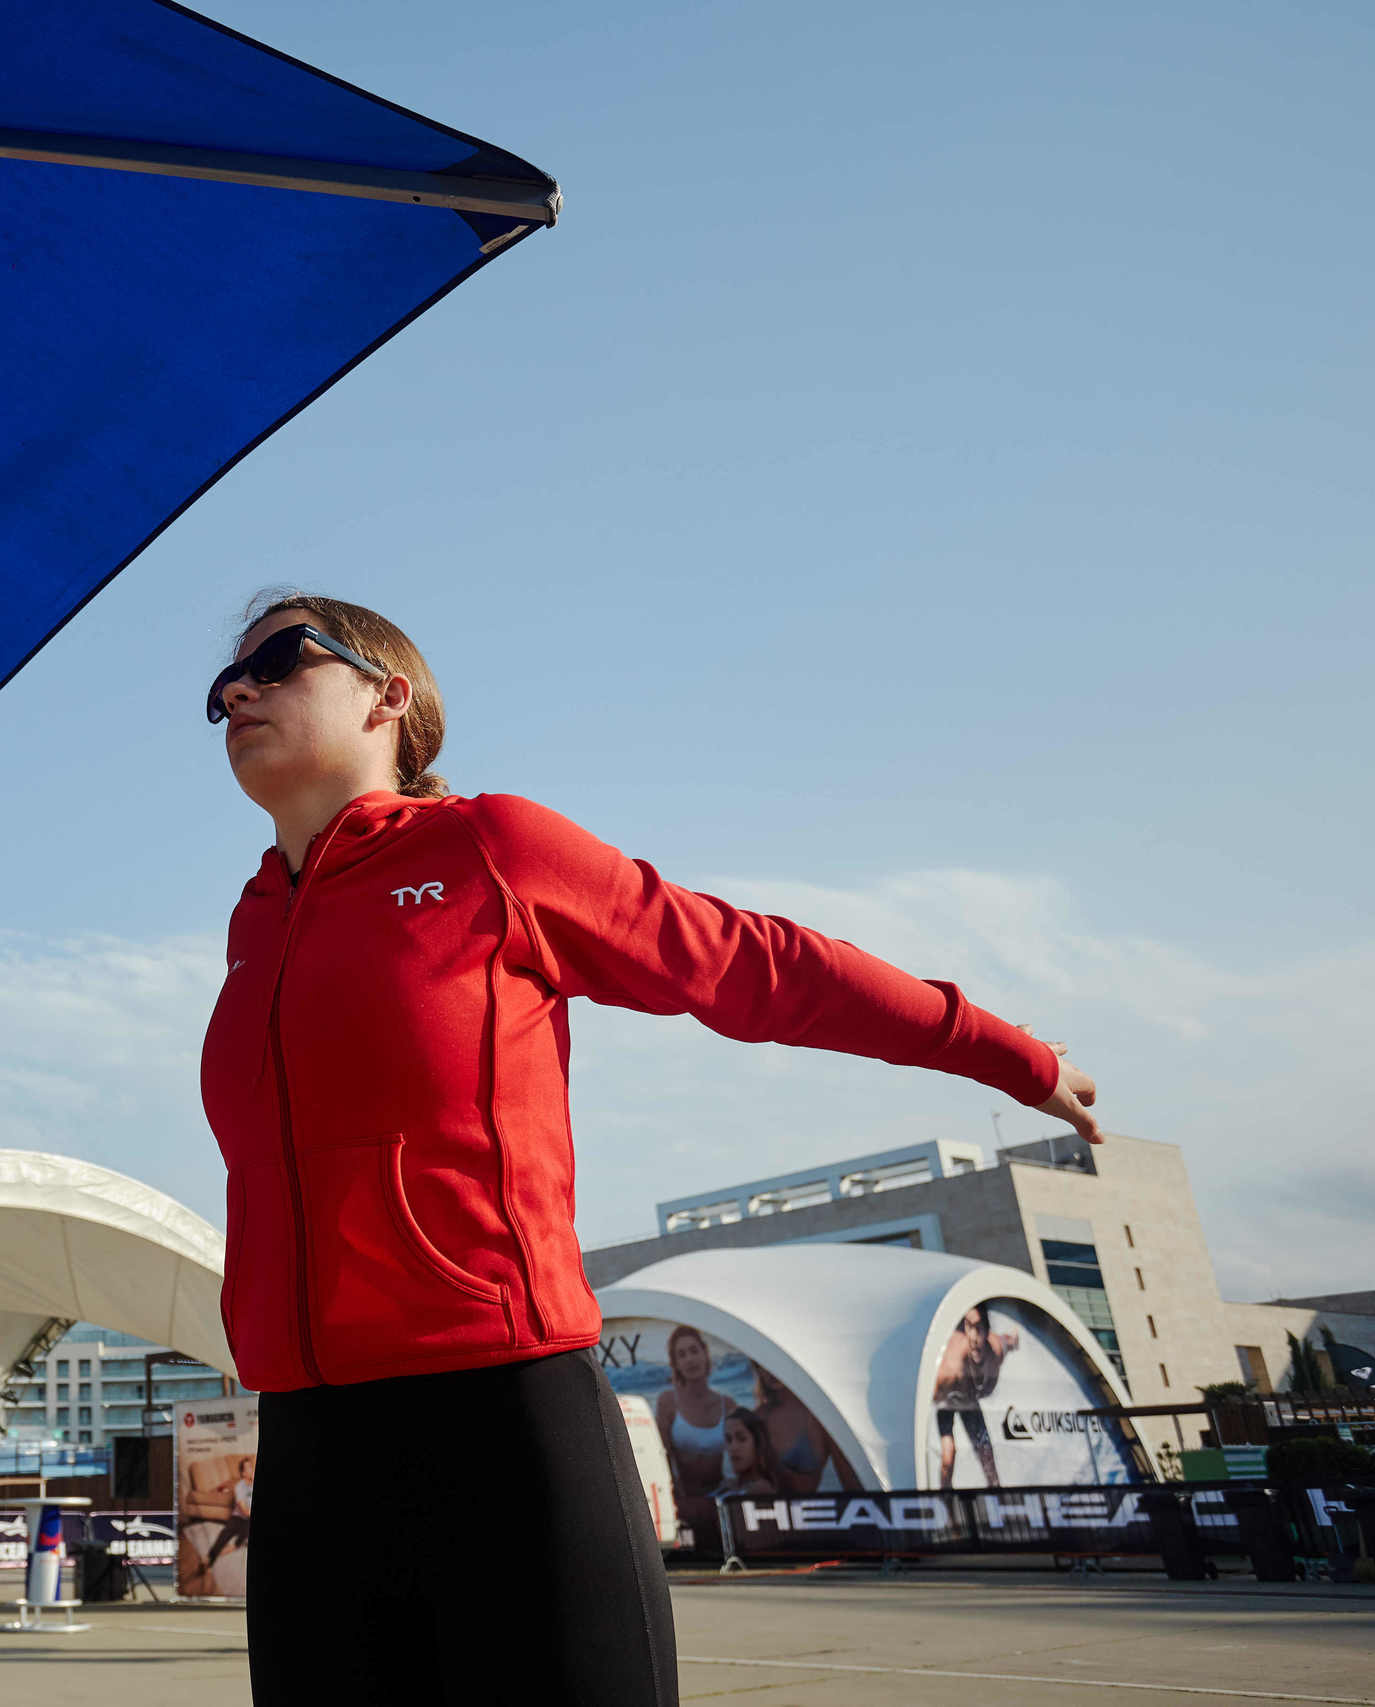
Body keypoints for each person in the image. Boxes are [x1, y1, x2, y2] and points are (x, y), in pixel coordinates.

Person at [198, 591, 1105, 1704]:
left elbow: (757, 965)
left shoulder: (490, 850)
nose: (237, 691)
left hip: (500, 1418)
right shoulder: (254, 924)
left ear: (390, 695)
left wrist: (1001, 1051)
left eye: (279, 661)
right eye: (221, 686)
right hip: (311, 1449)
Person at [652, 1324, 733, 1533]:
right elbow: (662, 1456)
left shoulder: (728, 1404)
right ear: (676, 1364)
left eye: (694, 1351)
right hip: (683, 1501)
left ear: (705, 1354)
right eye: (682, 1354)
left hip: (721, 1498)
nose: (690, 1359)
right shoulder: (668, 1401)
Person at [934, 1306, 1021, 1487]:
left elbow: (1009, 1341)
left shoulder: (994, 1350)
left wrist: (1013, 1338)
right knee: (948, 1455)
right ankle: (944, 1506)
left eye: (978, 1328)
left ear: (986, 1331)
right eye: (968, 1327)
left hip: (969, 1400)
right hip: (946, 1399)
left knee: (987, 1456)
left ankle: (999, 1503)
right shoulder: (953, 1365)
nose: (973, 1337)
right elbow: (931, 1392)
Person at [754, 1365, 863, 1497]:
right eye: (762, 1365)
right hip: (764, 1513)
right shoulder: (757, 1419)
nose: (770, 1371)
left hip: (806, 1513)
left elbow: (853, 1487)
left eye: (773, 1362)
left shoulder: (822, 1419)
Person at [711, 1408, 779, 1501]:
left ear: (758, 1443)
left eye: (742, 1438)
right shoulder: (729, 1484)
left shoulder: (760, 1489)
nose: (733, 1447)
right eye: (728, 1439)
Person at [203, 1454, 254, 1567]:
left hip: (248, 1520)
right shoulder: (239, 1487)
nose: (252, 1469)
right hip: (238, 1518)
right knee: (224, 1535)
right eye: (249, 1467)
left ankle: (234, 1546)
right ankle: (209, 1559)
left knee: (242, 1536)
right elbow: (244, 1510)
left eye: (252, 1467)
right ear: (243, 1473)